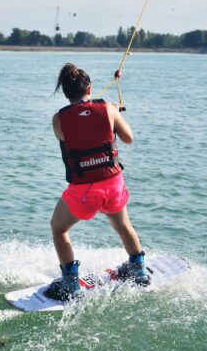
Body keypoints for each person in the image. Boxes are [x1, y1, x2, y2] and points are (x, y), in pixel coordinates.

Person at [44, 63, 150, 301]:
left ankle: (71, 284)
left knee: (59, 228)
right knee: (123, 226)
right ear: (89, 88)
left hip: (83, 190)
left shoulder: (58, 120)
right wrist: (113, 113)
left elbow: (69, 134)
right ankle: (139, 271)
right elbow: (128, 139)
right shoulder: (109, 109)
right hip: (112, 183)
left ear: (65, 92)